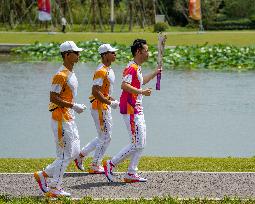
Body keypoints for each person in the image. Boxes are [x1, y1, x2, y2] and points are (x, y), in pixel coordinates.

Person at [103, 39, 161, 183]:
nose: (148, 53)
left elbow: (141, 82)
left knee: (142, 142)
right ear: (138, 52)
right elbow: (124, 85)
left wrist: (155, 73)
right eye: (146, 50)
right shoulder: (131, 67)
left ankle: (131, 173)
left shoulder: (137, 67)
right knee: (137, 143)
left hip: (137, 108)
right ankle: (111, 164)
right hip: (130, 108)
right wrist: (141, 91)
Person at [34, 41, 86, 197]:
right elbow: (53, 97)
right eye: (76, 52)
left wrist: (73, 108)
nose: (78, 54)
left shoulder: (71, 73)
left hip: (69, 117)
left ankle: (43, 174)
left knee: (75, 151)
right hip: (60, 118)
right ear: (67, 55)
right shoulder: (60, 75)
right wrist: (73, 105)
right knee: (64, 154)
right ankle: (54, 188)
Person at [74, 44, 119, 174]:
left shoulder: (109, 70)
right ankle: (95, 164)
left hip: (104, 106)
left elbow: (104, 91)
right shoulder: (101, 71)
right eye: (112, 52)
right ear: (105, 55)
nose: (115, 54)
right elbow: (95, 91)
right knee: (106, 137)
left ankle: (81, 155)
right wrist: (109, 102)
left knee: (103, 136)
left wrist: (112, 100)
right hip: (99, 107)